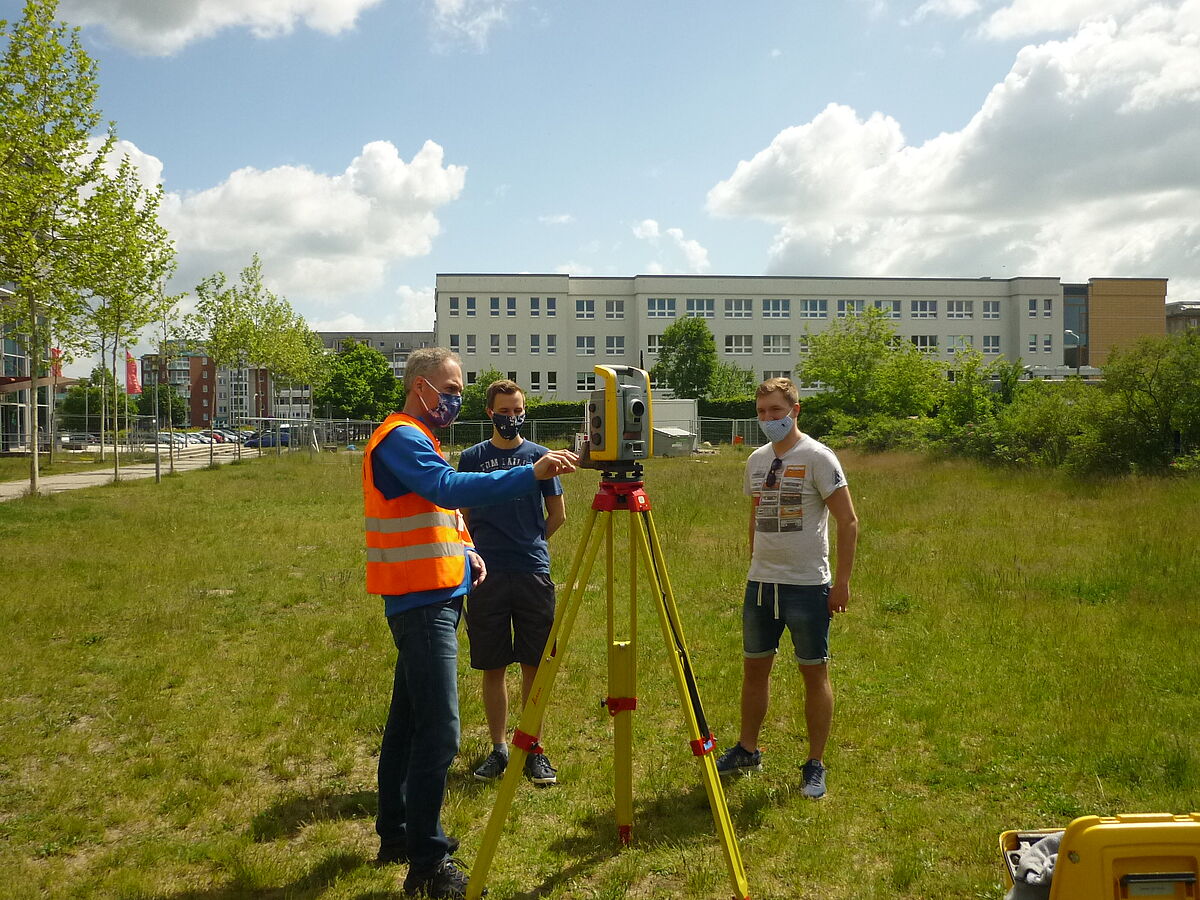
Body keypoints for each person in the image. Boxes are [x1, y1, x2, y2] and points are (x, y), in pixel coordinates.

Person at [363, 348, 577, 899]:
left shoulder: (420, 439)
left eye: (460, 389)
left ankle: (396, 833)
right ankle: (428, 862)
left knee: (408, 722)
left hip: (434, 590)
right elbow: (448, 488)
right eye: (449, 388)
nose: (455, 398)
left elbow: (437, 512)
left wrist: (465, 550)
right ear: (419, 387)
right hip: (419, 602)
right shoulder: (401, 437)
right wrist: (528, 474)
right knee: (440, 731)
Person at [715, 376, 858, 801]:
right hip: (761, 584)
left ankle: (815, 762)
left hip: (807, 585)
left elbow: (848, 521)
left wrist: (843, 583)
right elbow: (756, 512)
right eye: (761, 412)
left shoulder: (817, 456)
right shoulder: (757, 460)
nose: (768, 419)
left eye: (776, 411)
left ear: (794, 411)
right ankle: (747, 748)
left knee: (813, 671)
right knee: (754, 668)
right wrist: (754, 558)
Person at [457, 380, 566, 786]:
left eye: (517, 410)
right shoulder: (471, 458)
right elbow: (461, 514)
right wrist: (477, 553)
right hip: (486, 575)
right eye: (503, 411)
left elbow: (557, 514)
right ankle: (500, 748)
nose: (511, 418)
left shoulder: (540, 457)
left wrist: (532, 545)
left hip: (532, 572)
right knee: (493, 663)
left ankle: (532, 745)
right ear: (490, 413)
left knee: (534, 663)